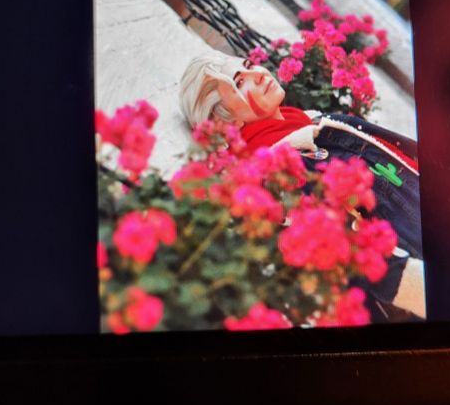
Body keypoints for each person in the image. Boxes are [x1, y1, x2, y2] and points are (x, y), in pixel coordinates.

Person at [180, 53, 425, 319]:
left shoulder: (314, 123)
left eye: (249, 65)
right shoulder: (283, 175)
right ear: (225, 123)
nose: (258, 74)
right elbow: (370, 262)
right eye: (239, 83)